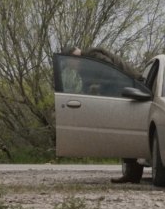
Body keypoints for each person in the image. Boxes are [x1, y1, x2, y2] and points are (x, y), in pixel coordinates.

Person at [61, 45, 144, 184]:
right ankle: (131, 173)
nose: (72, 68)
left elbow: (112, 74)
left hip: (133, 90)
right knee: (122, 133)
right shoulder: (85, 65)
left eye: (70, 65)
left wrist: (99, 88)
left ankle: (133, 173)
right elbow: (88, 85)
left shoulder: (93, 57)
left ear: (73, 58)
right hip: (121, 92)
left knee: (126, 132)